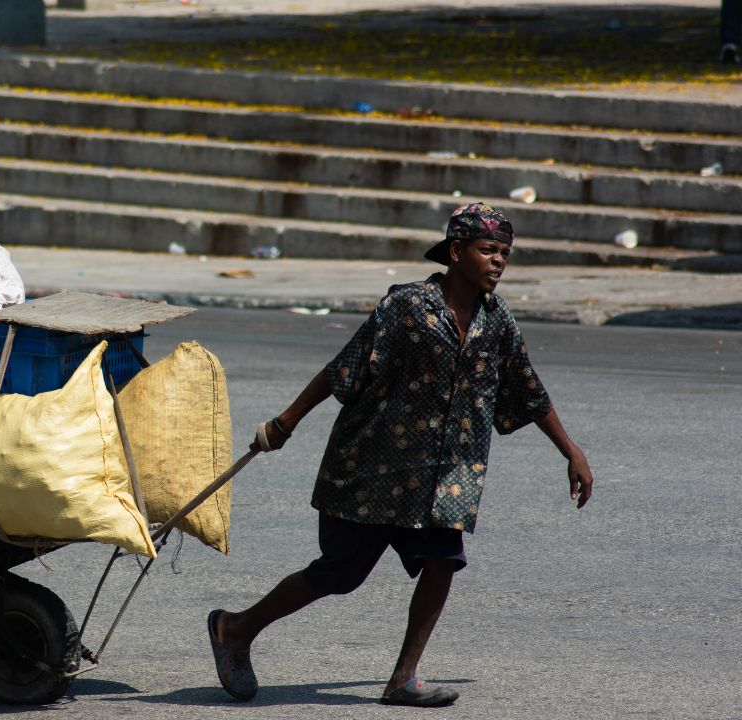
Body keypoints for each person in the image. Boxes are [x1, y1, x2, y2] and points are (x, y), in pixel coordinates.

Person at [207, 203, 594, 708]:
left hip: (448, 476)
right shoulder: (408, 307)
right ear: (456, 253)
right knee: (340, 574)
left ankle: (403, 678)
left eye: (504, 253)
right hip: (374, 470)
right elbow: (342, 367)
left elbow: (528, 390)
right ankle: (235, 629)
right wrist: (286, 422)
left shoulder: (497, 323)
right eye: (487, 250)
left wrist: (571, 450)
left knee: (443, 561)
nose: (498, 261)